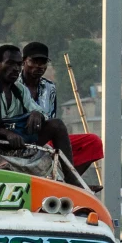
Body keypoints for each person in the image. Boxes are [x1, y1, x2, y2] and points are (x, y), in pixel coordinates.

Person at [0, 45, 75, 176]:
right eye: (10, 63)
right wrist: (6, 133)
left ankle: (73, 179)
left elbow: (42, 112)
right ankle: (1, 162)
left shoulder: (20, 89)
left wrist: (37, 113)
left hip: (16, 142)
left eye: (18, 64)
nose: (16, 69)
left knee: (57, 125)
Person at [19, 42, 104, 176]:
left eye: (43, 62)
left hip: (46, 137)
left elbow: (50, 118)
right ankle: (72, 180)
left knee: (94, 142)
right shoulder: (14, 83)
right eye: (34, 61)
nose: (39, 66)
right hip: (22, 136)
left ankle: (71, 180)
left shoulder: (49, 87)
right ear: (24, 61)